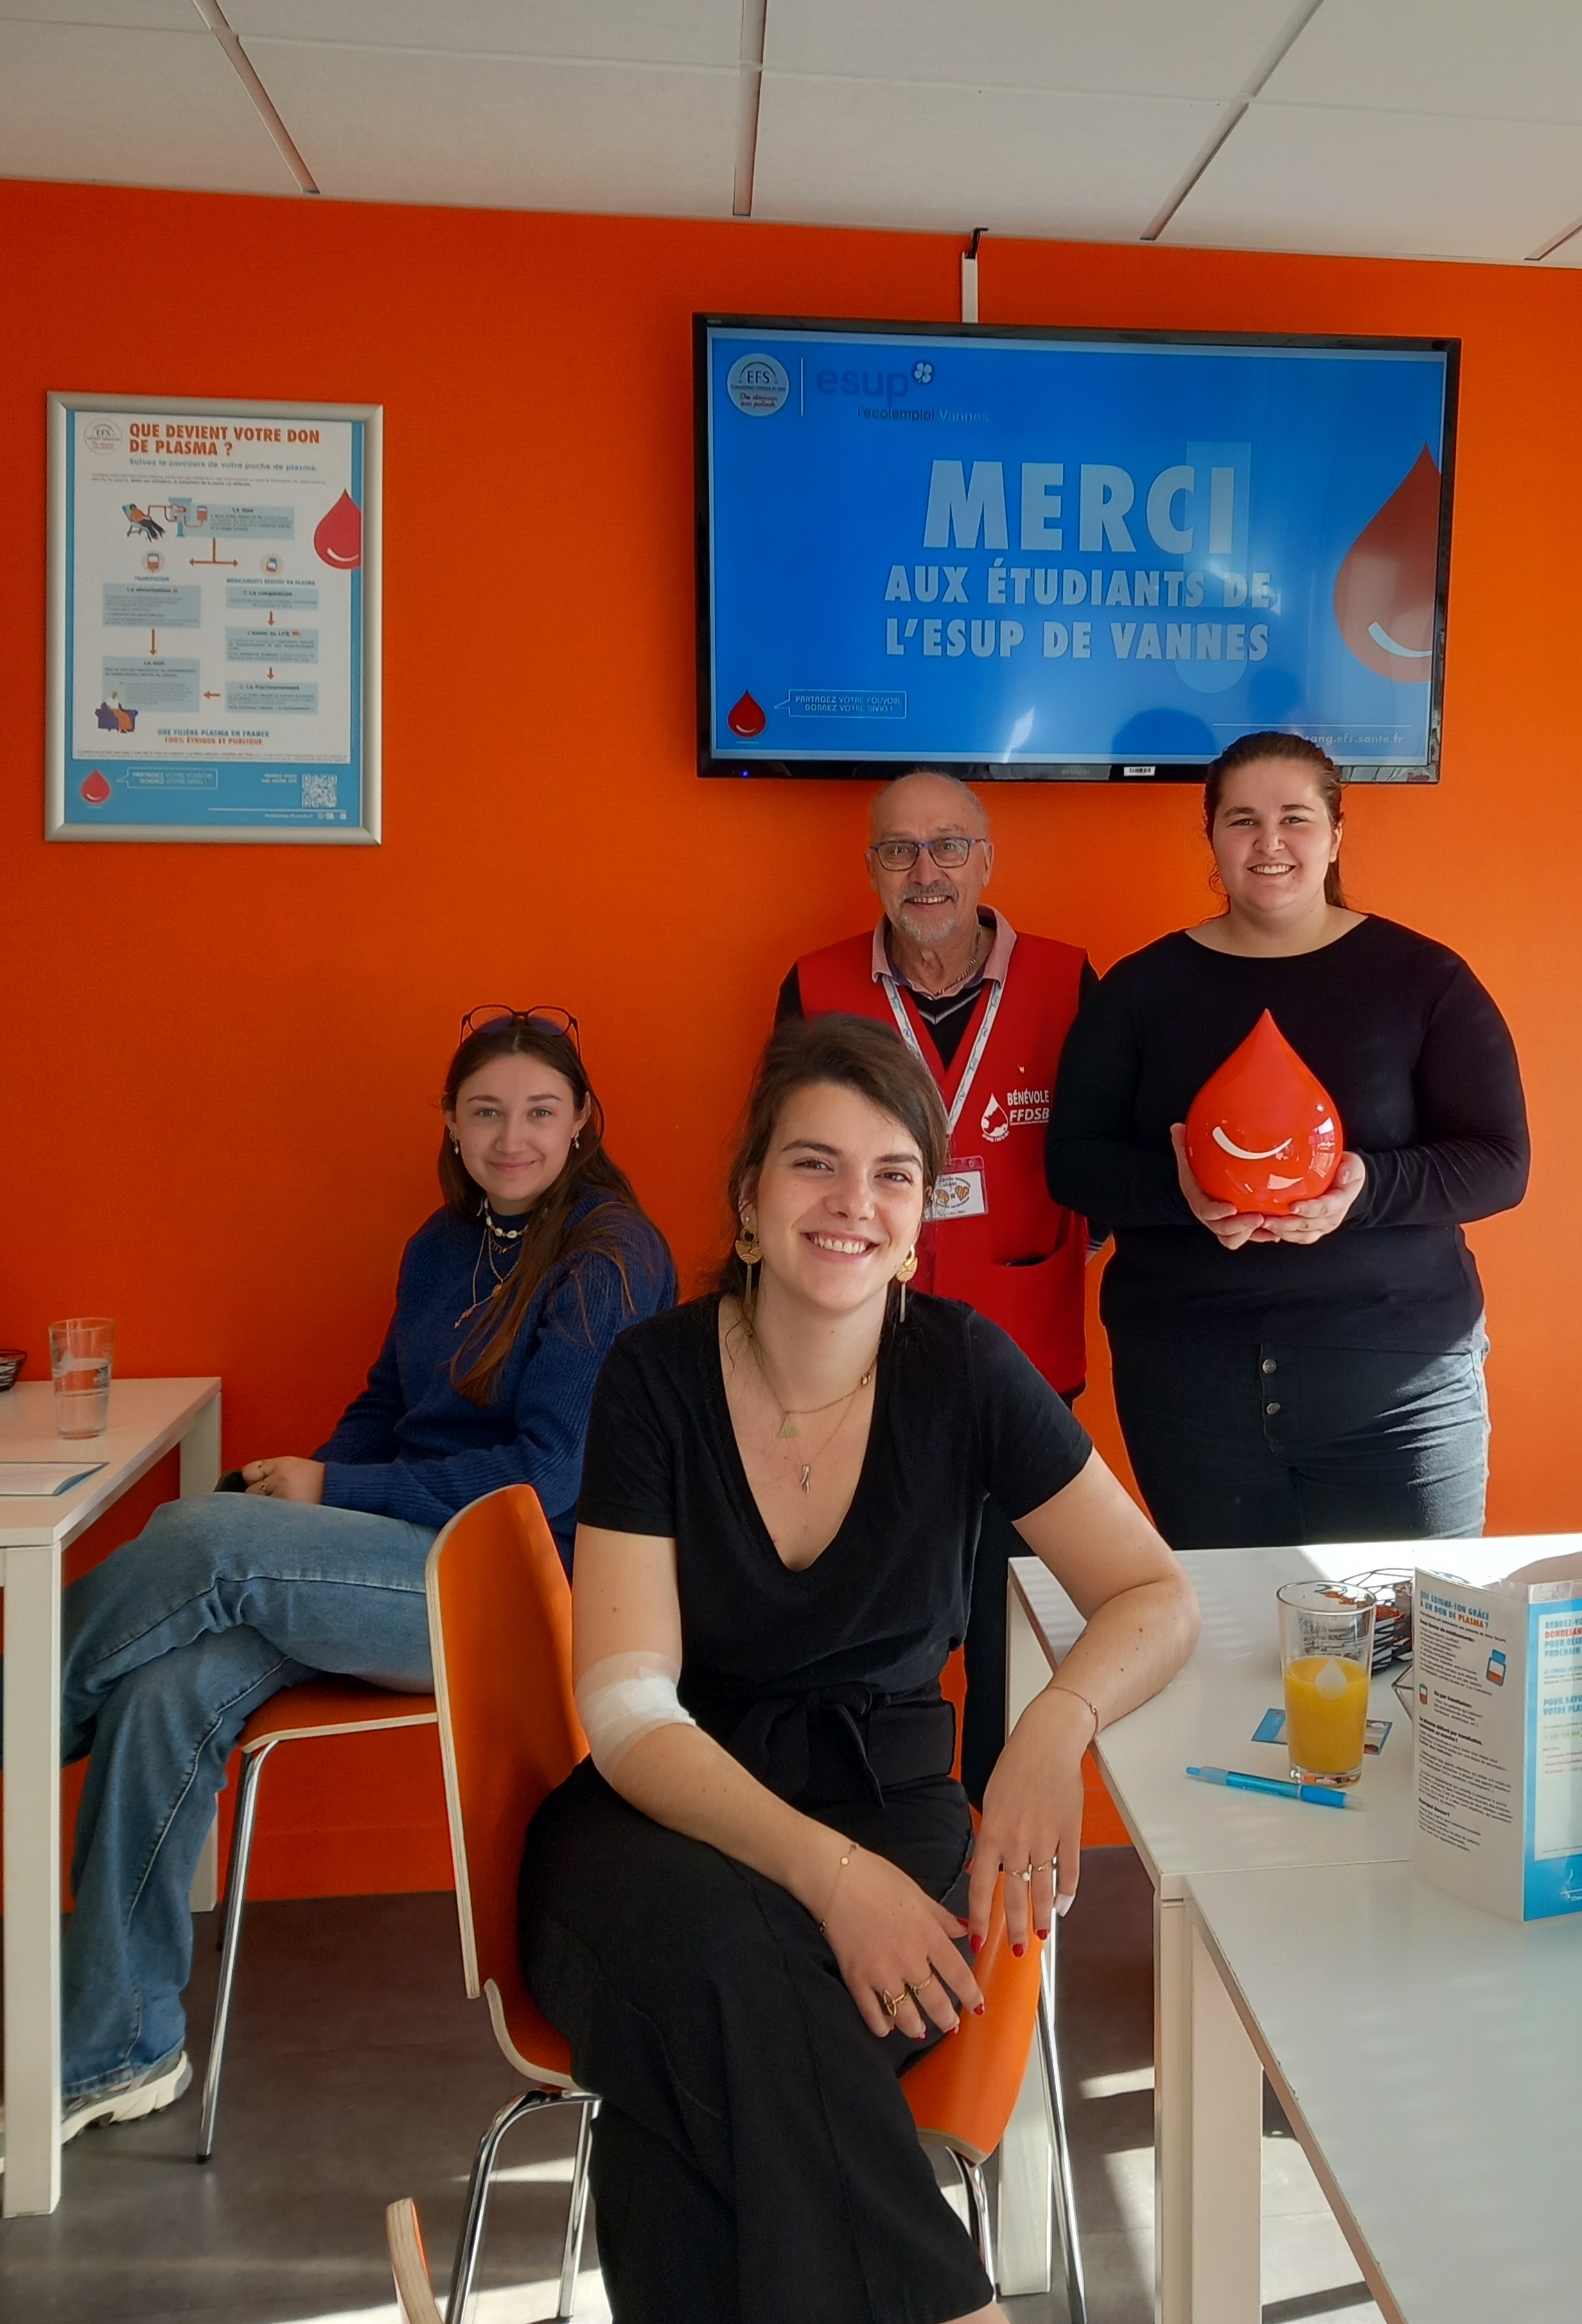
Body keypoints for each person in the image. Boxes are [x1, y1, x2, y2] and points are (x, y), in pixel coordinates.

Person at [520, 1013, 1195, 2324]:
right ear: (749, 1202)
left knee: (694, 2073)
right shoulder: (654, 1377)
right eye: (814, 1165)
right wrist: (831, 1881)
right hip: (658, 1816)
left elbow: (1155, 1593)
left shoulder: (967, 1369)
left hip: (894, 1810)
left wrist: (1052, 1727)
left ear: (918, 1218)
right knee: (728, 1966)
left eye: (893, 1174)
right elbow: (627, 1708)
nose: (854, 1203)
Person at [0, 1009, 674, 2176]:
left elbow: (550, 1476)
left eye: (540, 1112)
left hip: (516, 1596)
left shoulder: (609, 1258)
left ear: (583, 1123)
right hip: (396, 1558)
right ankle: (117, 2050)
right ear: (449, 1123)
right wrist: (317, 1495)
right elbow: (388, 1405)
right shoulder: (441, 1246)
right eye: (487, 1112)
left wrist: (331, 1492)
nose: (512, 1137)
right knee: (164, 1689)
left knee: (205, 1539)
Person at [1046, 730, 1530, 1547]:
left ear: (1335, 834)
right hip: (1190, 1389)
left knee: (1412, 1623)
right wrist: (1180, 1193)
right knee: (1232, 1624)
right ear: (1211, 838)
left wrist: (1363, 1190)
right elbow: (1072, 1164)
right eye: (1241, 820)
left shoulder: (1424, 979)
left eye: (1294, 819)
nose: (1269, 842)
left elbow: (1499, 1163)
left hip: (1401, 1386)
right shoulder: (1139, 990)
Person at [777, 768, 1094, 1799]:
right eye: (899, 850)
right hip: (861, 1374)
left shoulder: (1068, 979)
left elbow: (1100, 1157)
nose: (926, 871)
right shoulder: (814, 985)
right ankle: (871, 1837)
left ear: (986, 860)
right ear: (870, 866)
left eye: (949, 846)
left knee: (1016, 1641)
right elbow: (788, 1161)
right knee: (869, 1634)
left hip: (1024, 1370)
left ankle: (1004, 1860)